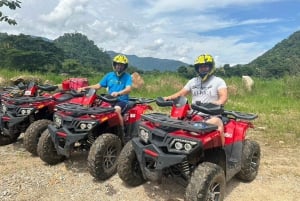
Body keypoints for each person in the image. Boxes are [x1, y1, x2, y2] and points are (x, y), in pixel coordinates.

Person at [164, 54, 228, 145]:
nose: (203, 68)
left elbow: (223, 97)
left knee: (216, 123)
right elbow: (181, 93)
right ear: (197, 68)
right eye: (200, 67)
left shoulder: (218, 81)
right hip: (194, 113)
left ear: (211, 67)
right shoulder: (193, 81)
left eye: (205, 66)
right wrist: (167, 98)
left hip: (212, 115)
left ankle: (221, 152)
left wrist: (217, 103)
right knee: (172, 122)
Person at [78, 54, 132, 130]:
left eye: (121, 65)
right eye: (117, 64)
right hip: (110, 99)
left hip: (122, 101)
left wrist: (118, 93)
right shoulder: (109, 75)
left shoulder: (127, 76)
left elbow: (128, 89)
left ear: (124, 66)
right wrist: (85, 88)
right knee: (96, 109)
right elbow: (98, 86)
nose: (119, 66)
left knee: (116, 110)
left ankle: (122, 130)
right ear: (114, 65)